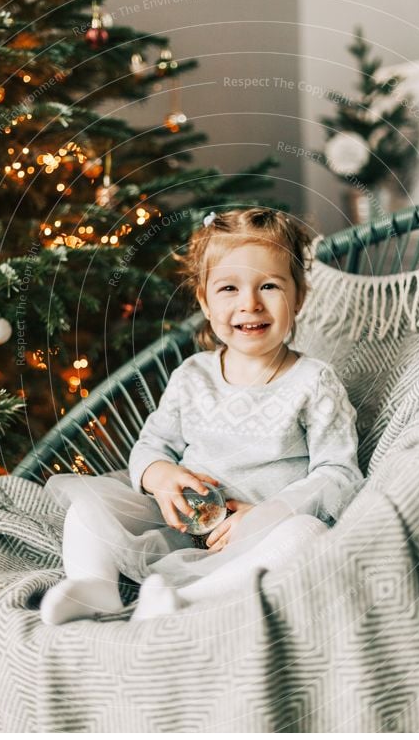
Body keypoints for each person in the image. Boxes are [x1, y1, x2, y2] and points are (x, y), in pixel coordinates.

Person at [40, 208, 364, 626]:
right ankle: (94, 585)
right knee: (90, 506)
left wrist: (272, 513)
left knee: (306, 537)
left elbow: (338, 472)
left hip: (252, 532)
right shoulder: (193, 375)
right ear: (205, 303)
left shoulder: (314, 383)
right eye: (229, 288)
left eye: (268, 285)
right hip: (175, 523)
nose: (249, 303)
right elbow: (152, 445)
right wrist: (160, 476)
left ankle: (187, 601)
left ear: (298, 297)